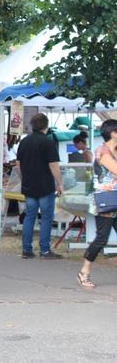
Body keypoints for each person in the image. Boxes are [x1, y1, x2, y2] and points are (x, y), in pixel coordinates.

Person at [17, 113, 63, 260]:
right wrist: (60, 183)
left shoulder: (24, 142)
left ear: (32, 125)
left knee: (29, 216)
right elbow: (53, 165)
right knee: (46, 217)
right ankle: (44, 250)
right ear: (46, 125)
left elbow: (18, 164)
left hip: (29, 185)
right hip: (45, 186)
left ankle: (26, 250)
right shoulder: (48, 142)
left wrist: (24, 178)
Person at [77, 120, 117, 289]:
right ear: (114, 133)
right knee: (101, 238)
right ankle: (84, 271)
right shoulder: (103, 152)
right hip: (107, 201)